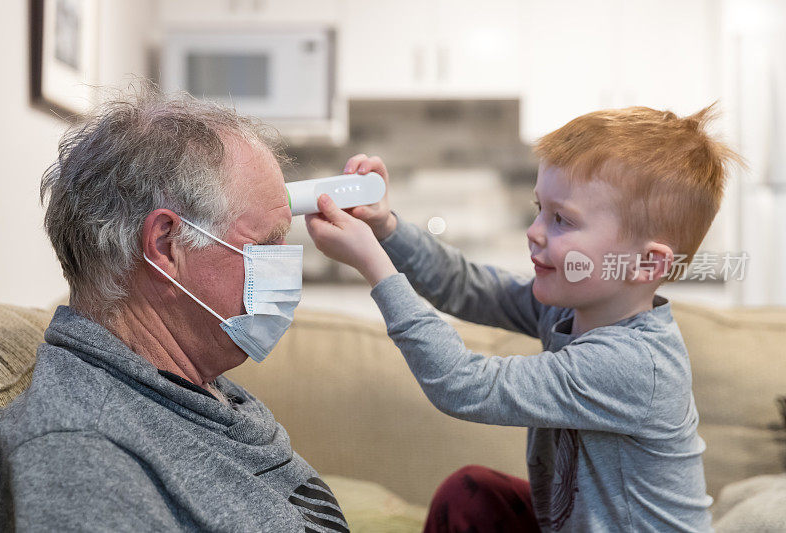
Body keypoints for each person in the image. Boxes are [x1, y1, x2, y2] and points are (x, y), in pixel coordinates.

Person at [305, 105, 742, 532]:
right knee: (472, 494)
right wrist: (386, 229)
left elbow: (464, 384)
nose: (533, 231)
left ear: (646, 264)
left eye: (561, 219)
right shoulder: (571, 309)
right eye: (539, 209)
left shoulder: (634, 364)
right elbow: (465, 285)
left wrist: (375, 266)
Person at [0, 87, 349, 533]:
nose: (285, 261)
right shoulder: (84, 459)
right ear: (166, 245)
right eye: (267, 243)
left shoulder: (188, 383)